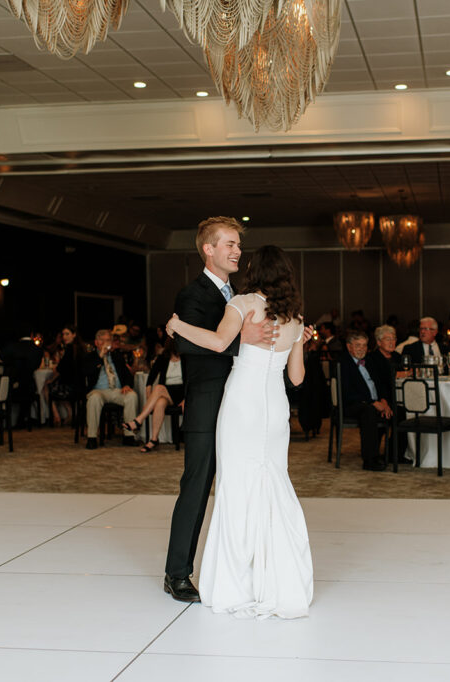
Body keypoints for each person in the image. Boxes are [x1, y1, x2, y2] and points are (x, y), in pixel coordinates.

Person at [166, 242, 313, 619]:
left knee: (237, 487)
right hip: (276, 407)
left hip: (242, 406)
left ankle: (239, 581)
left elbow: (218, 342)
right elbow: (297, 378)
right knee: (273, 482)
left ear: (255, 272)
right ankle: (277, 580)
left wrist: (177, 325)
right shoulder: (295, 316)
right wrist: (300, 343)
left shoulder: (243, 304)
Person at [162, 216, 276, 605]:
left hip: (241, 403)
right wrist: (241, 338)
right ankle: (177, 573)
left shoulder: (242, 295)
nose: (237, 251)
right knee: (196, 488)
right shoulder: (191, 296)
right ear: (208, 250)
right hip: (208, 405)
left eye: (238, 245)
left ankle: (236, 568)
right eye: (229, 244)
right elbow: (188, 346)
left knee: (241, 486)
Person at [341, 329, 405, 470]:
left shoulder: (369, 361)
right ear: (349, 346)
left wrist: (384, 401)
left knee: (400, 411)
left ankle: (394, 454)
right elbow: (348, 392)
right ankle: (370, 460)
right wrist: (373, 403)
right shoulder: (343, 364)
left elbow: (380, 383)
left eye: (364, 345)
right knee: (369, 412)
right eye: (358, 345)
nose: (362, 349)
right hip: (353, 404)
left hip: (374, 402)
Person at [125, 336, 184, 452]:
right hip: (168, 393)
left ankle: (138, 421)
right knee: (160, 403)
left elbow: (192, 381)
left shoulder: (186, 358)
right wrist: (149, 394)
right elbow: (151, 376)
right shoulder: (163, 357)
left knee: (159, 388)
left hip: (181, 393)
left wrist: (187, 398)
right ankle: (153, 439)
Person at [81, 329, 138, 448]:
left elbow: (128, 375)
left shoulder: (117, 356)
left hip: (116, 390)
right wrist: (100, 356)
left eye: (108, 340)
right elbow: (85, 372)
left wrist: (127, 385)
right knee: (94, 399)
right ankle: (92, 438)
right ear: (96, 343)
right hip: (98, 391)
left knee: (132, 396)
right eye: (103, 341)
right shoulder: (89, 357)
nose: (106, 343)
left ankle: (129, 436)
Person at [48, 325, 85, 427]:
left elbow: (60, 369)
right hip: (79, 384)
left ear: (74, 335)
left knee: (46, 388)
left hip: (72, 386)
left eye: (67, 334)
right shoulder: (80, 348)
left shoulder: (70, 349)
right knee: (56, 385)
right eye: (63, 334)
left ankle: (56, 416)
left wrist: (50, 380)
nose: (64, 337)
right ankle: (70, 414)